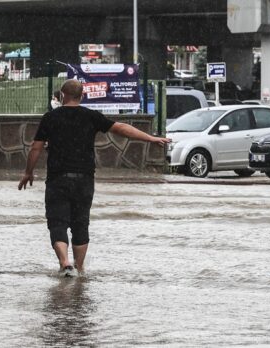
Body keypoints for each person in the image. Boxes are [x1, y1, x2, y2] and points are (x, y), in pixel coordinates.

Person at [18, 79, 170, 277]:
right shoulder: (91, 117)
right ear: (81, 96)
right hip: (84, 180)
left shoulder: (50, 118)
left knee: (57, 222)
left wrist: (29, 172)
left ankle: (65, 263)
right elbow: (122, 128)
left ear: (62, 95)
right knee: (81, 223)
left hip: (58, 179)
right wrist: (151, 138)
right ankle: (79, 269)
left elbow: (36, 147)